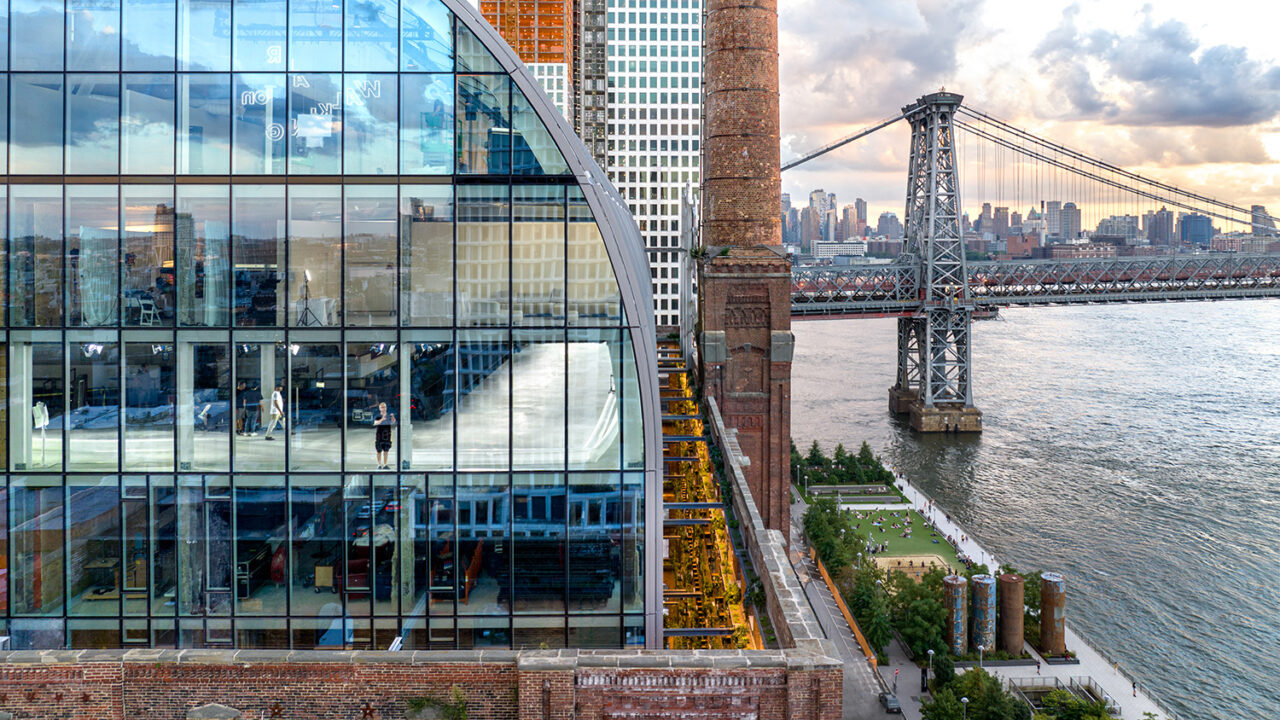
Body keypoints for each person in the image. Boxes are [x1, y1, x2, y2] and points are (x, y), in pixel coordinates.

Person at [373, 402, 396, 469]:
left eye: (384, 407)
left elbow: (393, 422)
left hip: (387, 434)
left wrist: (393, 417)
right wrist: (382, 419)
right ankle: (379, 464)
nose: (383, 409)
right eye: (382, 407)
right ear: (380, 408)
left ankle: (385, 464)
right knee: (379, 450)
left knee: (386, 450)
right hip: (379, 434)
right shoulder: (377, 416)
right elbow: (375, 423)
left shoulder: (388, 415)